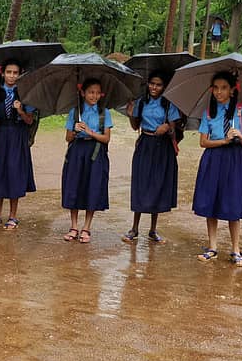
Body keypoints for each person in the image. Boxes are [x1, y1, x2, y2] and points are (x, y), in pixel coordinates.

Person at [193, 71, 242, 267]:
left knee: (233, 203)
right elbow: (203, 142)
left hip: (234, 160)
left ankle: (236, 250)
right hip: (213, 159)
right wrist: (224, 140)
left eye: (223, 88)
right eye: (215, 88)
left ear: (232, 90)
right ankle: (212, 247)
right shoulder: (208, 113)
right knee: (211, 201)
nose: (219, 92)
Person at [122, 74, 181, 244]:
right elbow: (135, 126)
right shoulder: (141, 102)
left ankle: (153, 230)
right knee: (141, 184)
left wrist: (167, 127)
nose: (154, 87)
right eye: (152, 83)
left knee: (157, 184)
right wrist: (131, 114)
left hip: (162, 147)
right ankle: (134, 228)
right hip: (145, 144)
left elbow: (173, 129)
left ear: (164, 87)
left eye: (158, 84)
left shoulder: (169, 104)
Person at [0, 59, 36, 230]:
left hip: (18, 136)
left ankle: (13, 216)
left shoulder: (25, 93)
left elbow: (29, 120)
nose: (12, 76)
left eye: (15, 73)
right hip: (0, 135)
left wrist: (20, 110)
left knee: (14, 172)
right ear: (2, 73)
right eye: (9, 72)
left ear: (20, 74)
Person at [62, 78, 112, 244]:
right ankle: (74, 226)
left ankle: (86, 227)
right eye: (91, 92)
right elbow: (68, 138)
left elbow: (106, 138)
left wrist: (91, 132)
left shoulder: (104, 113)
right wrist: (75, 130)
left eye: (98, 93)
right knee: (74, 185)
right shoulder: (75, 112)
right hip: (77, 152)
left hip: (96, 152)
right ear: (82, 93)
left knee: (93, 186)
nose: (94, 96)